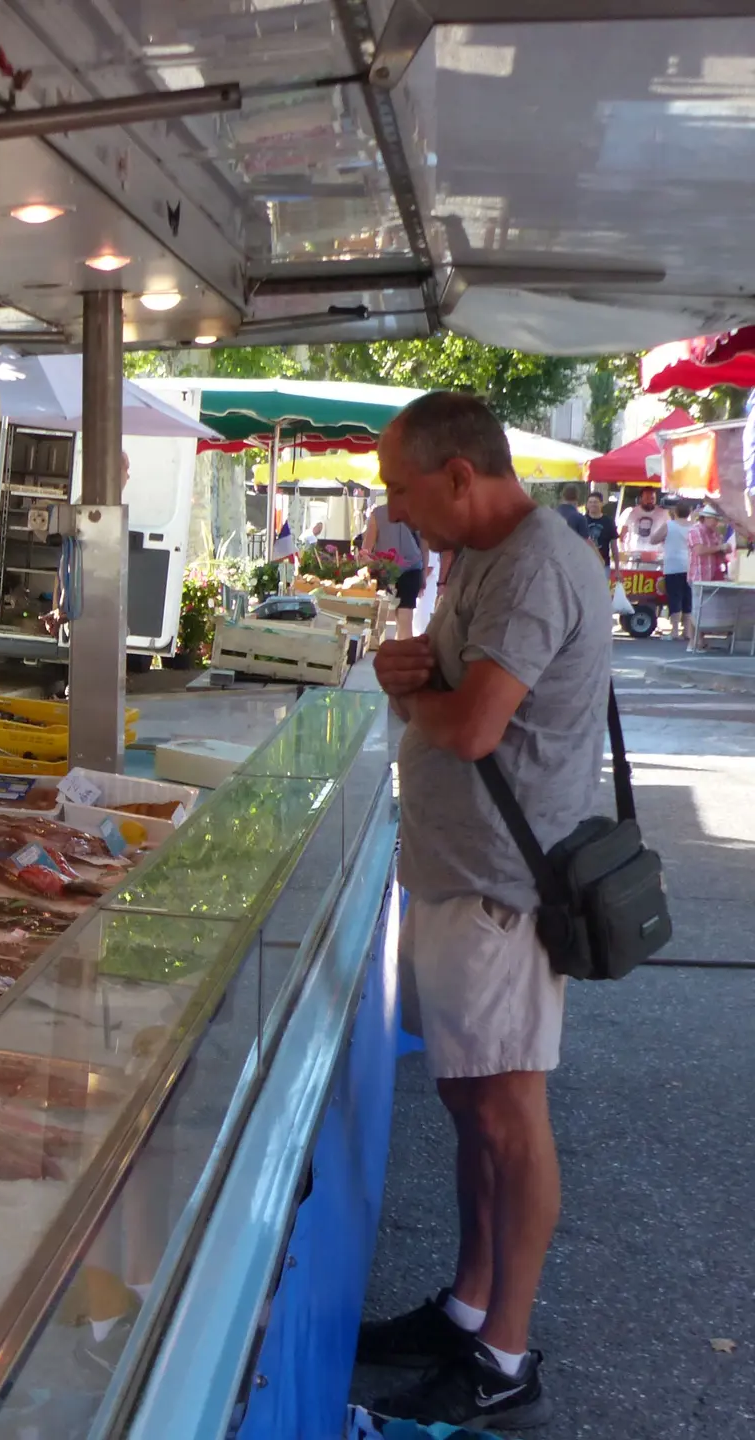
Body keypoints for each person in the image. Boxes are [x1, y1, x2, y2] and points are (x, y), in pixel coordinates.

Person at [362, 392, 610, 1432]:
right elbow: (444, 678)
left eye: (401, 488)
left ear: (459, 475)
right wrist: (407, 667)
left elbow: (469, 728)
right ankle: (469, 1306)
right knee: (474, 1109)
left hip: (502, 891)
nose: (394, 510)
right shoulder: (479, 556)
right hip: (461, 876)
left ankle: (503, 1355)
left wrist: (406, 692)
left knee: (509, 1116)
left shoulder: (537, 565)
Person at [363, 499, 429, 636]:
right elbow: (424, 548)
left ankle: (387, 645)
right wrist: (423, 575)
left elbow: (366, 549)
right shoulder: (418, 513)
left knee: (387, 616)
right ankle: (401, 647)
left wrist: (370, 567)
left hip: (386, 570)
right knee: (404, 617)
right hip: (409, 568)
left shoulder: (378, 514)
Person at [662, 500, 694, 642]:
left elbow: (653, 539)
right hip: (690, 565)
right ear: (689, 512)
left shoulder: (669, 525)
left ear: (675, 512)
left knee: (675, 597)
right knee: (688, 597)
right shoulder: (694, 526)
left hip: (673, 565)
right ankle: (686, 631)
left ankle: (674, 631)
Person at [618, 488, 667, 555]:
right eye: (647, 498)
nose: (650, 501)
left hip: (656, 554)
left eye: (652, 498)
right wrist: (622, 550)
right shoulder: (632, 512)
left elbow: (669, 534)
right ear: (641, 499)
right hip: (634, 553)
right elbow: (623, 533)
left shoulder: (663, 513)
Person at [582, 490, 618, 570]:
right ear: (587, 504)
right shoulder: (581, 520)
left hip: (603, 565)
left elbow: (614, 547)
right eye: (590, 502)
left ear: (601, 504)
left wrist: (617, 569)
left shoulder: (609, 521)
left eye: (595, 502)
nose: (592, 504)